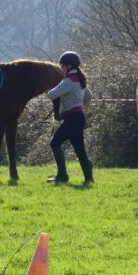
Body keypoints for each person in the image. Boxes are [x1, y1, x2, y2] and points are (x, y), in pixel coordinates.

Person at [46, 51, 94, 183]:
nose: (61, 68)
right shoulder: (80, 79)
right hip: (78, 117)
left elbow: (51, 95)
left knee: (54, 142)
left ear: (68, 66)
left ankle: (62, 176)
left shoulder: (68, 81)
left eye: (62, 66)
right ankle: (89, 179)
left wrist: (46, 88)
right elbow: (89, 96)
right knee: (80, 150)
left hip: (72, 119)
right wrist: (79, 105)